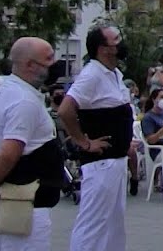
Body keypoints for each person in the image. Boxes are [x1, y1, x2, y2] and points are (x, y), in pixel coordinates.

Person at [0, 37, 65, 250]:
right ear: (30, 65)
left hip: (14, 202)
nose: (55, 63)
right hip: (22, 205)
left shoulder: (6, 91)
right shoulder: (23, 101)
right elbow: (9, 151)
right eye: (49, 58)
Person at [58, 25, 135, 251]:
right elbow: (65, 110)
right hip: (102, 161)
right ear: (103, 49)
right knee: (93, 221)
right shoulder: (91, 75)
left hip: (116, 159)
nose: (121, 43)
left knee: (113, 222)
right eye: (116, 39)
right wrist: (83, 141)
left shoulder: (113, 73)